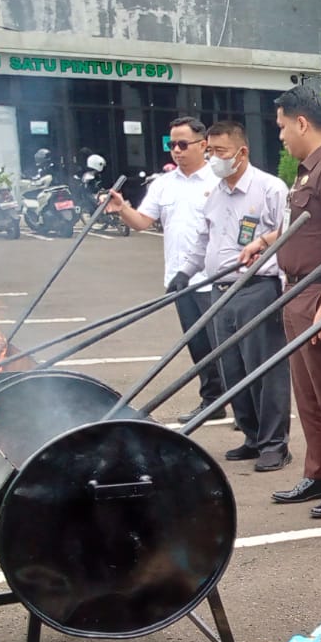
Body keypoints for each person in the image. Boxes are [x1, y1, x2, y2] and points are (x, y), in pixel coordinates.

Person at [249, 86, 321, 518]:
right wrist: (264, 240)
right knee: (308, 394)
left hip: (318, 293)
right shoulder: (306, 170)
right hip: (295, 291)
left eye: (281, 127)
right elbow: (304, 228)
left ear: (301, 122)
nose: (280, 137)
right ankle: (319, 472)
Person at [179, 121, 292, 471]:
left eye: (221, 152)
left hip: (257, 289)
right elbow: (203, 239)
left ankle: (275, 444)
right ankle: (252, 436)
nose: (214, 158)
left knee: (264, 370)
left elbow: (289, 234)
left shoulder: (270, 189)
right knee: (232, 369)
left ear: (241, 152)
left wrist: (284, 290)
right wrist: (185, 272)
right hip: (220, 291)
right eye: (210, 151)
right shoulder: (214, 193)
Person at [106, 117, 222, 423]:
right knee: (197, 345)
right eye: (172, 145)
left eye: (183, 144)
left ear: (203, 145)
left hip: (216, 278)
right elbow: (143, 221)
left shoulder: (219, 180)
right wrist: (122, 210)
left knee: (225, 347)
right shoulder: (163, 184)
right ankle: (212, 401)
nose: (177, 151)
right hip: (180, 280)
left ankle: (245, 407)